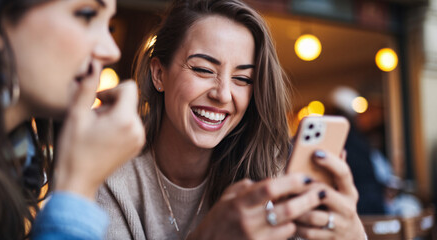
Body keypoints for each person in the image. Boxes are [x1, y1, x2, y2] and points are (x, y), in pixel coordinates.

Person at [97, 0, 366, 239]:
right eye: (203, 70)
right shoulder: (108, 175)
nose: (223, 94)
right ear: (159, 74)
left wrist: (352, 233)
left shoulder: (268, 170)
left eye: (242, 79)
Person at [0, 0, 144, 239]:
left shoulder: (16, 159)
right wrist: (78, 189)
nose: (112, 51)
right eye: (86, 15)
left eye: (110, 28)